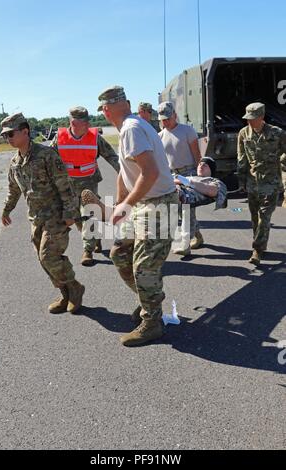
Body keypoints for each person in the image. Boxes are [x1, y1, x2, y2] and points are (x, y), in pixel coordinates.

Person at [97, 86, 178, 347]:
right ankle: (148, 301)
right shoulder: (130, 127)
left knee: (144, 267)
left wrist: (125, 206)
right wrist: (121, 202)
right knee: (120, 253)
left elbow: (150, 172)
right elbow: (125, 171)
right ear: (127, 104)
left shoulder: (131, 129)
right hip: (144, 204)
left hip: (158, 205)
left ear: (107, 110)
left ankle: (152, 322)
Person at [0, 113, 85, 314]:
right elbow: (13, 190)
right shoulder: (15, 162)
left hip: (56, 216)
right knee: (43, 260)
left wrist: (70, 213)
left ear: (25, 132)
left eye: (11, 134)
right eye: (5, 136)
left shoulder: (47, 155)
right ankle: (65, 295)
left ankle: (75, 288)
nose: (8, 139)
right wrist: (6, 209)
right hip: (36, 218)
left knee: (49, 257)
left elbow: (65, 186)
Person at [51, 106, 120, 266]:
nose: (89, 123)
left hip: (89, 181)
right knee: (76, 217)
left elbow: (111, 156)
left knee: (89, 212)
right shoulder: (59, 138)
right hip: (68, 184)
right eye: (85, 121)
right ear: (73, 122)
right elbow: (49, 159)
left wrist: (125, 175)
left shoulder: (94, 137)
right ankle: (94, 239)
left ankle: (87, 250)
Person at [237, 102, 286, 265]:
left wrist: (282, 160)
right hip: (253, 182)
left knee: (265, 216)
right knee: (254, 217)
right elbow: (241, 158)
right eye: (248, 118)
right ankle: (261, 243)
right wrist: (241, 181)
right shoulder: (243, 134)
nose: (249, 122)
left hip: (271, 182)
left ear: (262, 117)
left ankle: (257, 249)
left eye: (253, 118)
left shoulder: (277, 133)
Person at [158, 101, 202, 255]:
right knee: (178, 210)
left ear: (175, 115)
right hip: (172, 176)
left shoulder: (187, 131)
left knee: (186, 210)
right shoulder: (160, 136)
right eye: (162, 119)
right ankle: (197, 235)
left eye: (168, 118)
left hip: (189, 174)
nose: (165, 122)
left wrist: (200, 174)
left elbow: (197, 154)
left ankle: (185, 245)